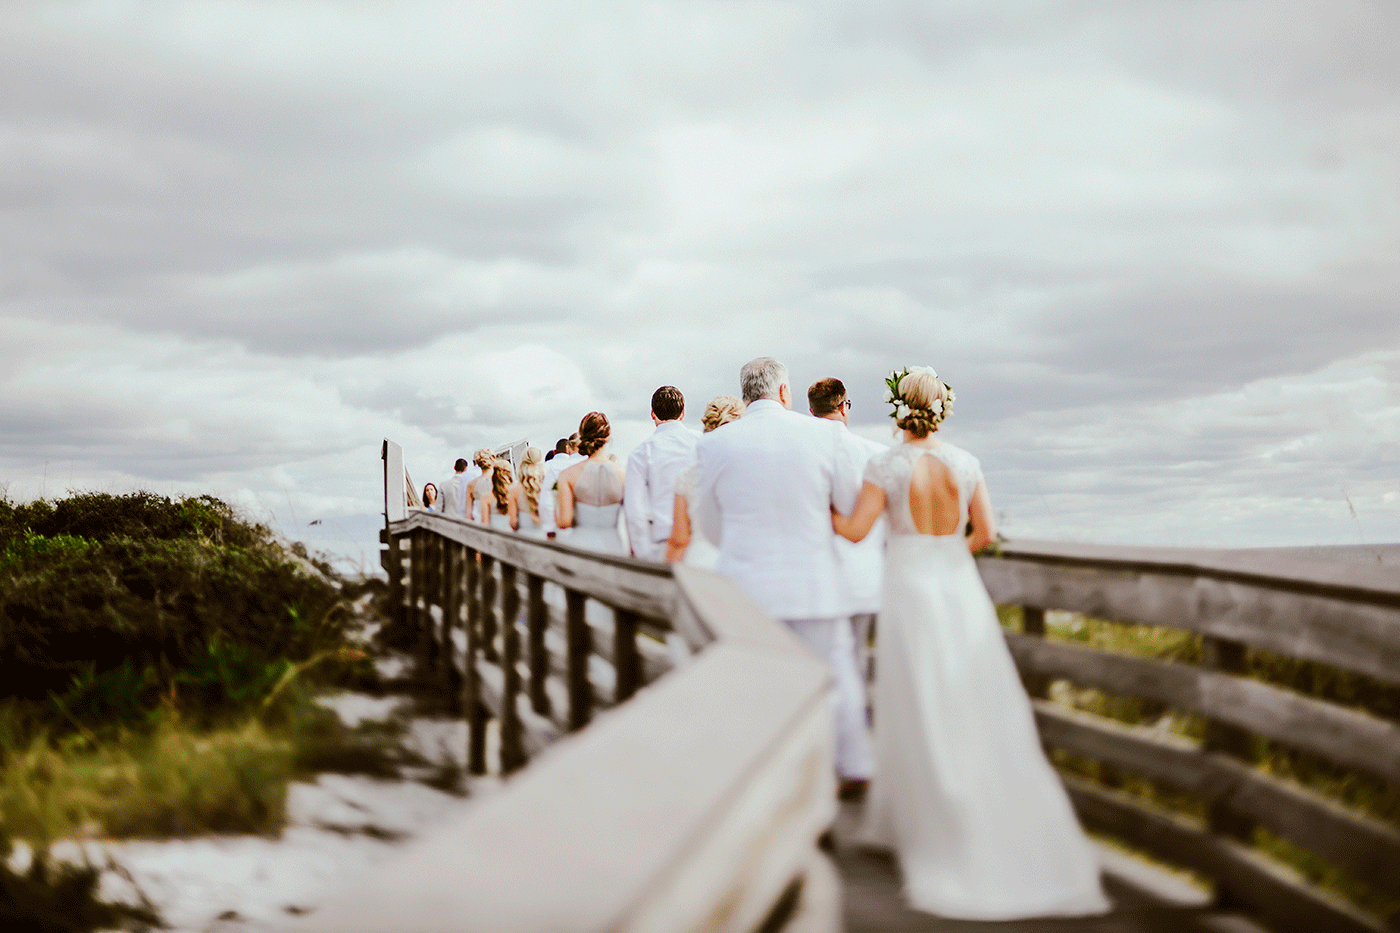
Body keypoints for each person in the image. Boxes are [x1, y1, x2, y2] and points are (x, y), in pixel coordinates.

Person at [832, 366, 1108, 921]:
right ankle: (980, 810)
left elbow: (856, 530)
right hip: (957, 586)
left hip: (909, 587)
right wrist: (947, 551)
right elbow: (983, 534)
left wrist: (820, 508)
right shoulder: (966, 463)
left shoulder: (885, 465)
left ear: (898, 407)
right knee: (972, 698)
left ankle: (927, 820)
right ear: (942, 408)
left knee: (916, 700)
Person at [694, 357, 873, 795]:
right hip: (814, 582)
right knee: (834, 678)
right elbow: (848, 505)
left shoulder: (715, 445)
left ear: (745, 396)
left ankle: (765, 779)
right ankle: (851, 767)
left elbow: (710, 525)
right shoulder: (826, 435)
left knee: (755, 687)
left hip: (746, 586)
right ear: (784, 392)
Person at [809, 377, 887, 696]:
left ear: (812, 411)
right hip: (861, 575)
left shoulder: (801, 454)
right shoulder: (875, 454)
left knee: (814, 665)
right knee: (854, 664)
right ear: (843, 406)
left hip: (812, 577)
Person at [665, 395, 742, 568]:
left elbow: (679, 540)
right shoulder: (751, 473)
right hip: (739, 567)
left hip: (699, 565)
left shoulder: (688, 476)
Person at [624, 386, 698, 561]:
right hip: (698, 541)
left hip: (662, 544)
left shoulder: (641, 453)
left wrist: (644, 554)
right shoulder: (702, 443)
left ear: (652, 413)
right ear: (683, 413)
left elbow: (634, 511)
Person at [557, 412, 626, 555]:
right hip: (614, 547)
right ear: (608, 437)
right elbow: (632, 519)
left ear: (582, 436)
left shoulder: (567, 475)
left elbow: (564, 521)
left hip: (581, 547)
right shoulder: (624, 476)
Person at [513, 446, 549, 538]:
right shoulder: (549, 485)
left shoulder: (515, 489)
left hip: (525, 539)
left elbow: (513, 523)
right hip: (548, 538)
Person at [483, 457, 516, 530]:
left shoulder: (486, 497)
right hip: (512, 534)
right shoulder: (515, 494)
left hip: (494, 535)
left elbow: (485, 524)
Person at [465, 448, 495, 523]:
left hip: (479, 523)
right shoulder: (500, 481)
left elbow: (468, 515)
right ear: (493, 460)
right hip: (498, 523)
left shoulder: (472, 484)